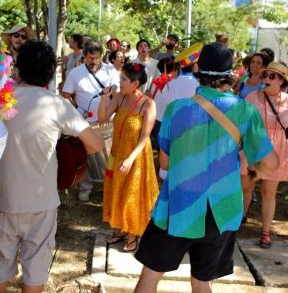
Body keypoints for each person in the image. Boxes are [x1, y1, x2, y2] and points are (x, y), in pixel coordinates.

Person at [134, 42, 279, 293]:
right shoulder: (244, 111)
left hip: (178, 207)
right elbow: (271, 164)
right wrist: (254, 173)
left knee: (150, 276)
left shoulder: (176, 109)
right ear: (231, 73)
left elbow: (165, 163)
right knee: (202, 283)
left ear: (198, 68)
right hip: (222, 211)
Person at [0, 40, 104, 293]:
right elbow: (95, 144)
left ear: (18, 68)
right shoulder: (54, 103)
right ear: (50, 72)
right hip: (41, 201)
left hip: (3, 198)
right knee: (36, 268)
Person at [98, 63, 159, 251]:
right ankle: (122, 228)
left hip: (136, 156)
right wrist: (103, 99)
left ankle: (133, 234)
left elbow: (144, 137)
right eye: (120, 78)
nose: (120, 82)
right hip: (117, 154)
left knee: (132, 194)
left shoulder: (148, 104)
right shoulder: (119, 97)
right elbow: (103, 120)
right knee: (117, 189)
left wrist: (131, 158)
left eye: (124, 79)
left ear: (136, 83)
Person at [62, 40, 119, 201]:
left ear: (101, 56)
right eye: (89, 58)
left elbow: (118, 92)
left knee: (110, 155)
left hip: (107, 121)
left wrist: (112, 90)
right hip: (84, 122)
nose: (92, 61)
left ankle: (110, 188)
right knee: (86, 154)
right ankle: (86, 187)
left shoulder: (110, 70)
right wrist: (75, 113)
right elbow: (66, 96)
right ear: (84, 56)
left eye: (95, 58)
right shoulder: (75, 73)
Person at [240, 62, 288, 248]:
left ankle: (265, 232)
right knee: (245, 188)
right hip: (253, 149)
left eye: (272, 76)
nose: (267, 79)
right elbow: (242, 121)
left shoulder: (287, 101)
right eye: (266, 75)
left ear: (282, 81)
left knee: (269, 192)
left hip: (276, 152)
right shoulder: (252, 97)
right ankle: (239, 220)